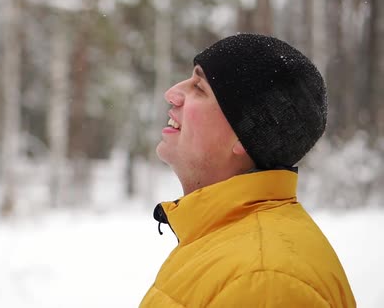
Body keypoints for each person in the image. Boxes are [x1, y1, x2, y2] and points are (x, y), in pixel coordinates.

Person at [139, 34, 356, 308]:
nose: (171, 93)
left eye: (200, 88)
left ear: (244, 135)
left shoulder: (264, 280)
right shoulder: (226, 245)